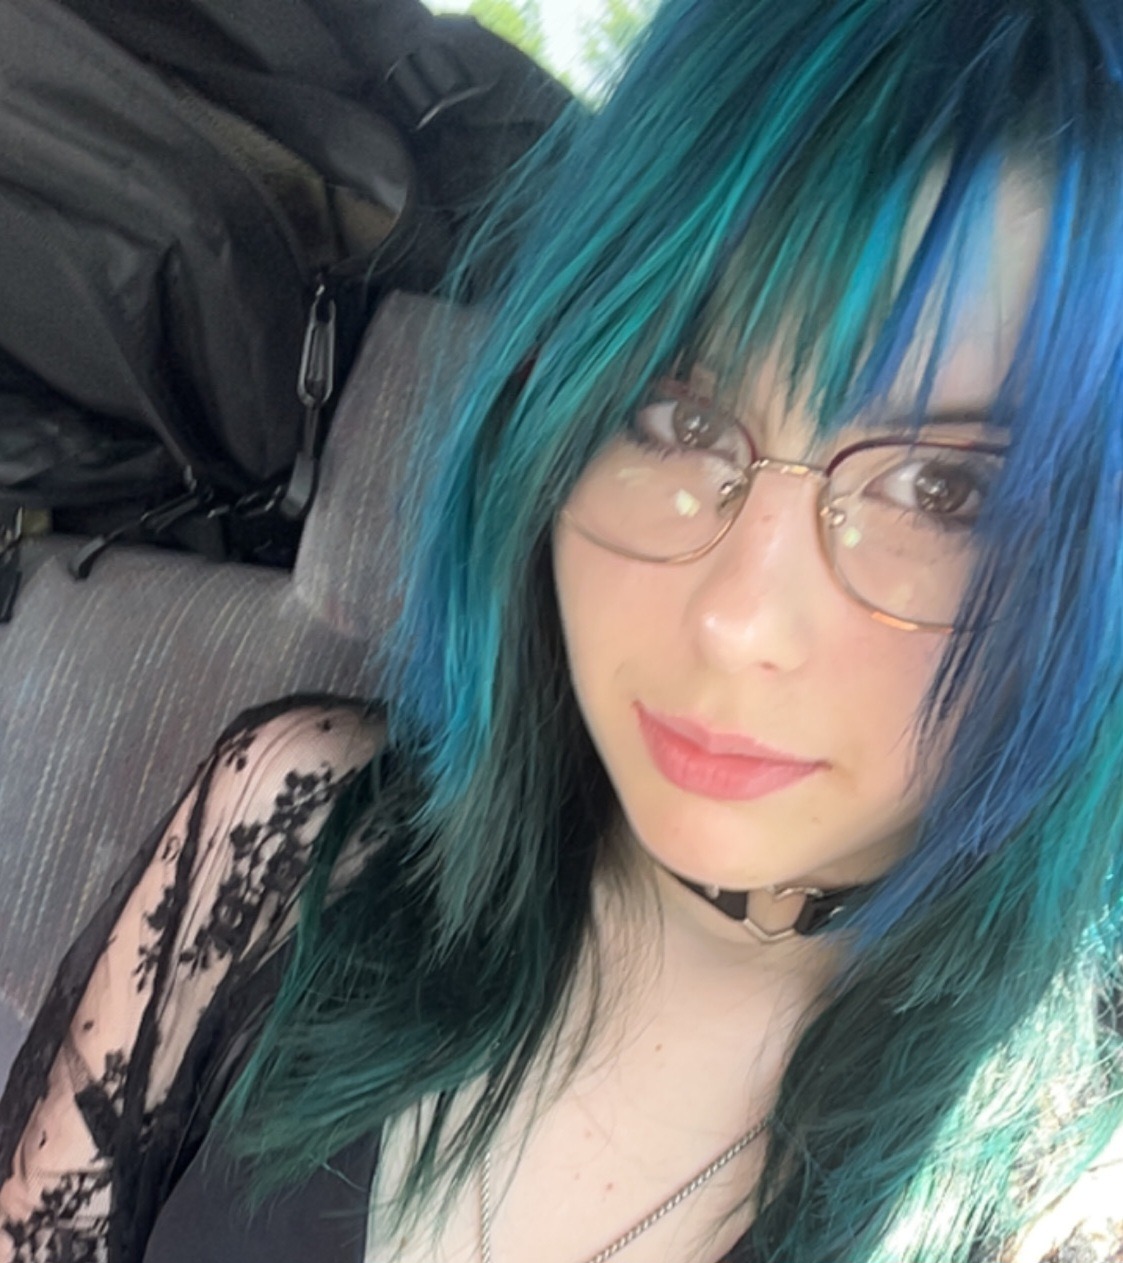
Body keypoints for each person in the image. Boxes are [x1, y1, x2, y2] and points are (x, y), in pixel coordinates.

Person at [2, 0, 1122, 1259]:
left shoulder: (1061, 1207)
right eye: (676, 420)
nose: (737, 618)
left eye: (943, 490)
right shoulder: (293, 829)